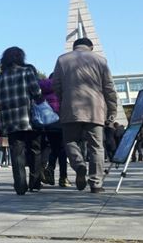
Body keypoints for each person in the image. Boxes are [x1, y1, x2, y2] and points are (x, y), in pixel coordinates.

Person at [52, 37, 117, 194]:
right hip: (95, 109)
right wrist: (112, 110)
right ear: (91, 47)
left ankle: (79, 164)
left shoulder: (62, 60)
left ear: (74, 47)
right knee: (96, 147)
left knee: (70, 141)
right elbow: (109, 87)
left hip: (70, 108)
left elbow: (56, 85)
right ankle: (96, 183)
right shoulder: (100, 60)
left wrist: (64, 100)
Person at [0, 47, 44, 195]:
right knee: (35, 150)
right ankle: (35, 183)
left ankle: (20, 185)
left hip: (10, 121)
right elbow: (37, 92)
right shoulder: (27, 72)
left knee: (17, 152)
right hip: (29, 119)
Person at [38, 76, 71, 188]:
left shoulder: (44, 92)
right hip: (61, 121)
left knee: (54, 148)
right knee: (62, 150)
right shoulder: (63, 90)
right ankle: (63, 178)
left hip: (48, 124)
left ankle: (50, 171)